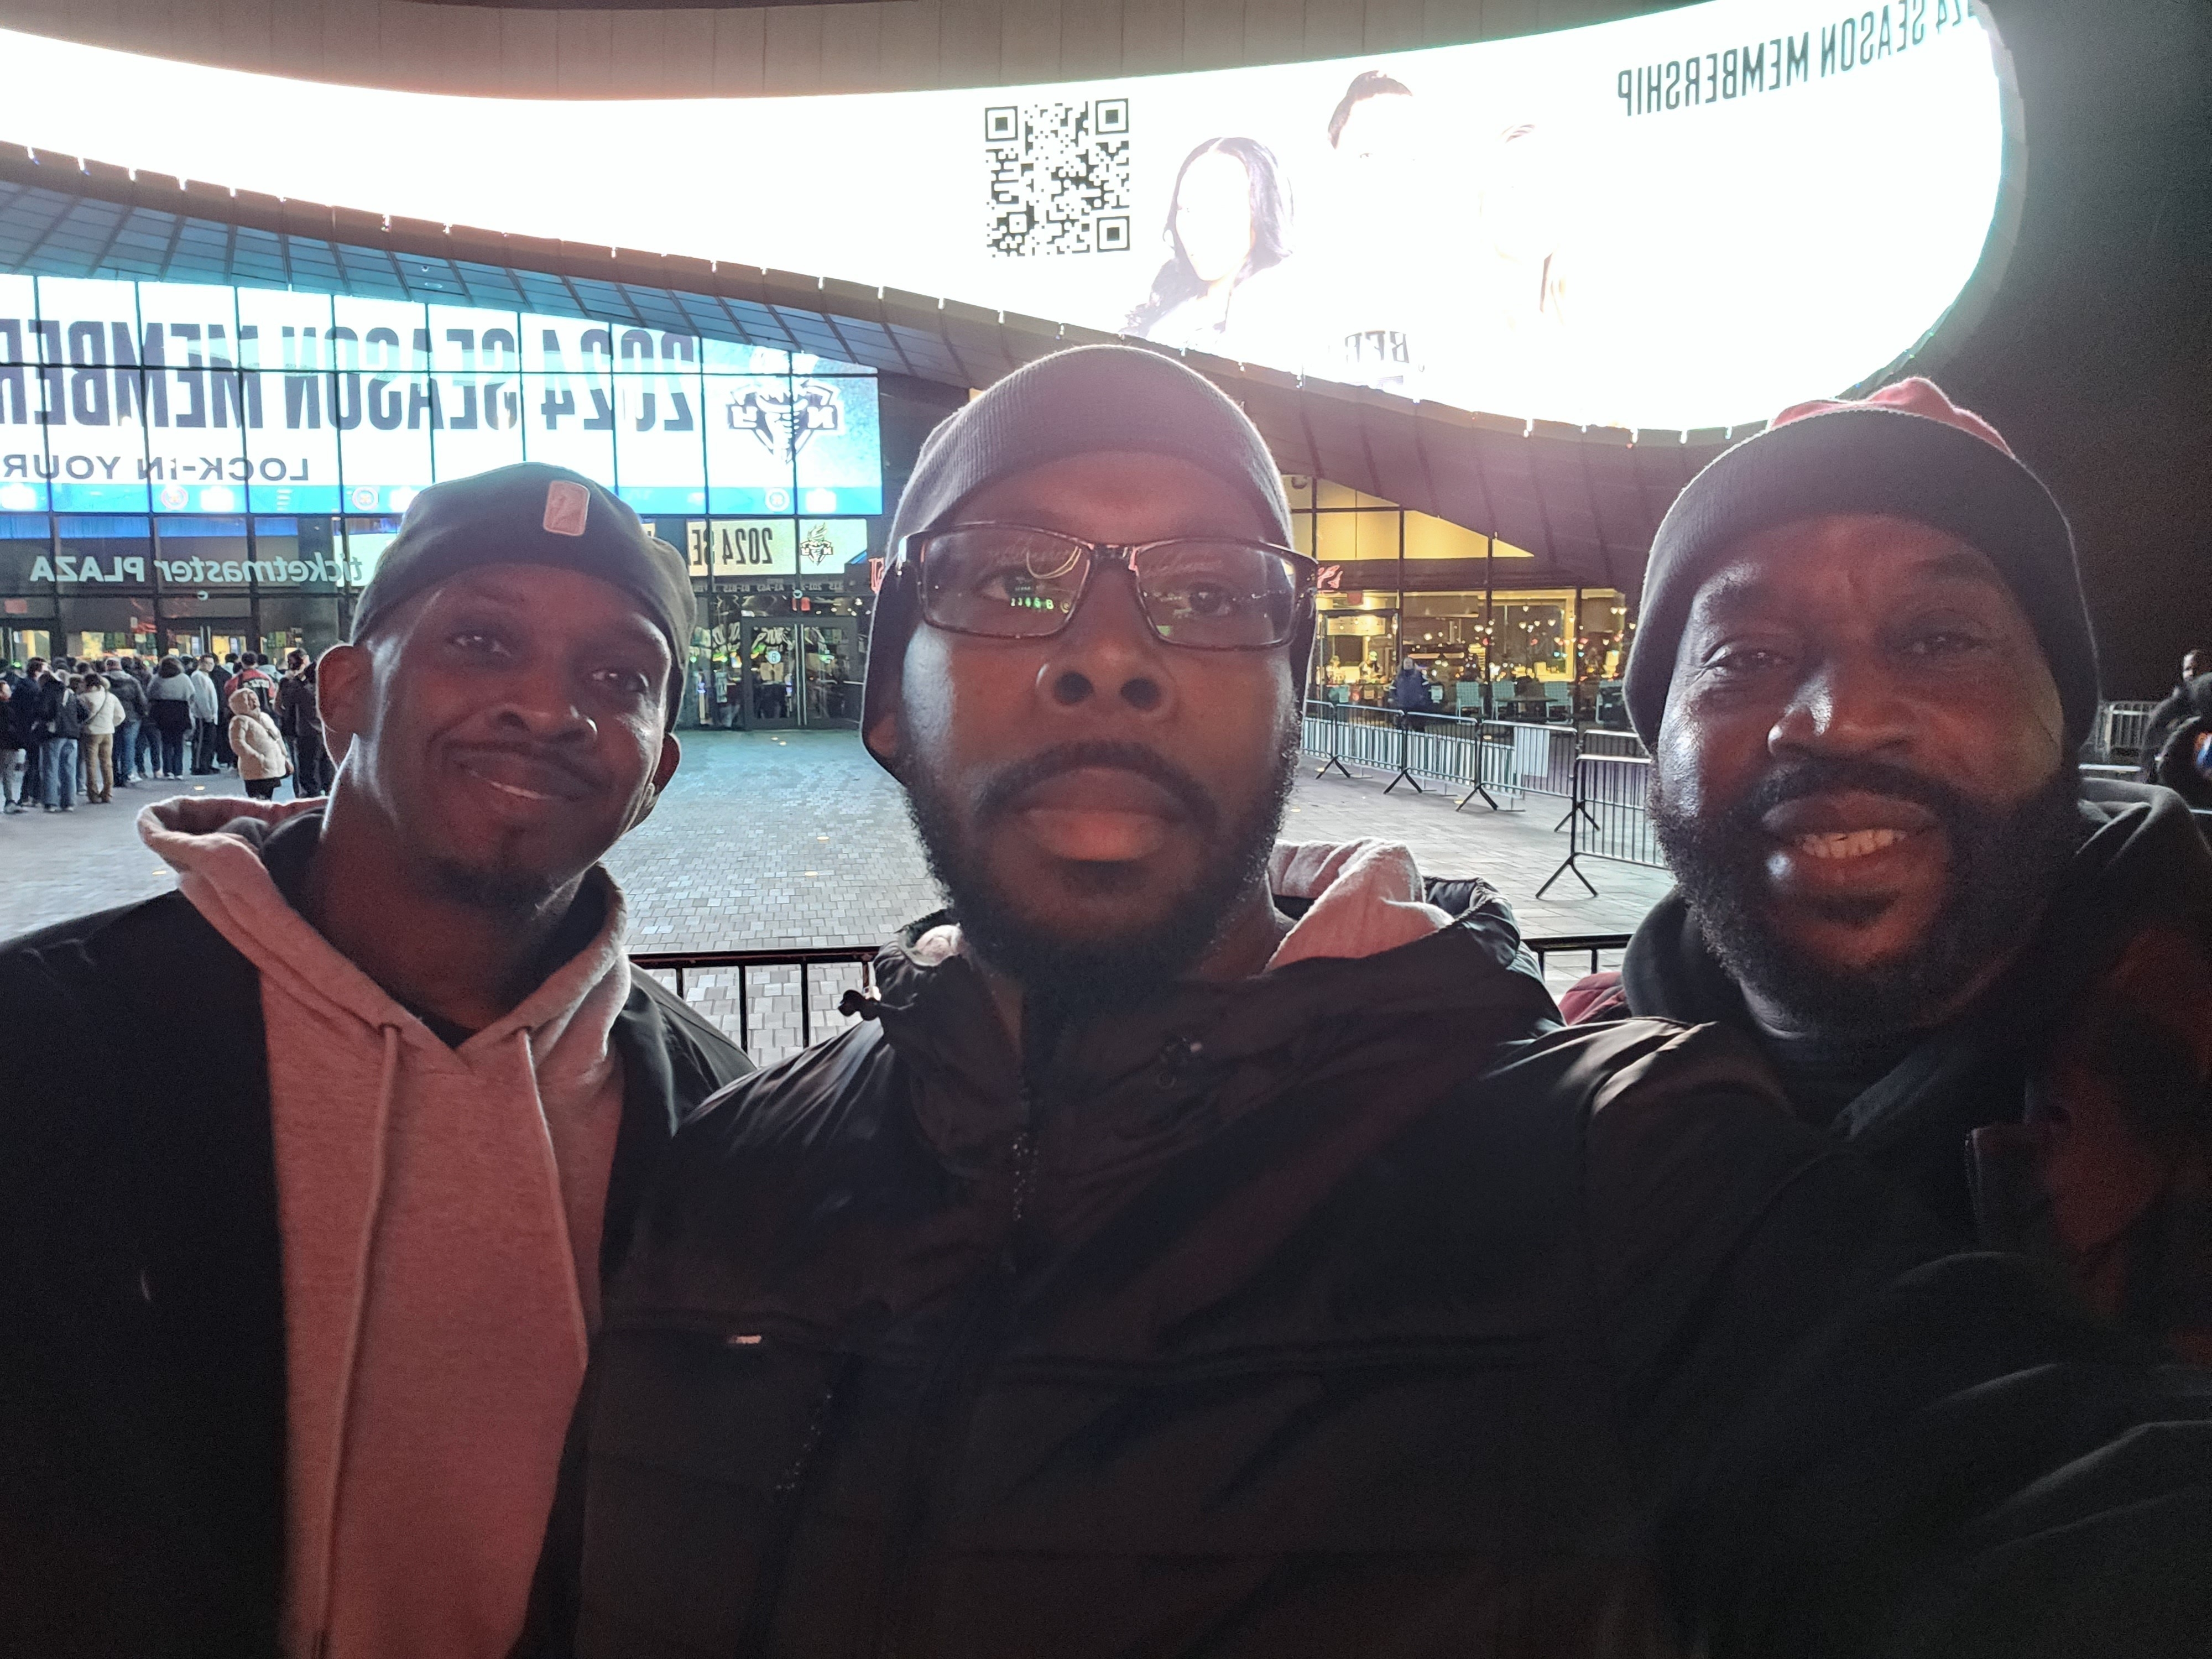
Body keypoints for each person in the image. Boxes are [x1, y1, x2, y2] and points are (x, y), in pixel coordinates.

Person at [527, 347, 2212, 1659]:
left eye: (1208, 592)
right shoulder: (720, 1183)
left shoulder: (1609, 1169)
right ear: (885, 695)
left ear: (1296, 698)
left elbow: (2048, 1498)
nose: (1107, 650)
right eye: (1008, 575)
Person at [0, 462, 754, 1659]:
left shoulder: (720, 1127)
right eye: (481, 642)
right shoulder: (45, 1046)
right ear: (343, 692)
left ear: (656, 769)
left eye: (620, 679)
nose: (547, 708)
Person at [1560, 377, 2212, 1361]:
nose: (1841, 720)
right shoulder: (1562, 1088)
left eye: (1940, 639)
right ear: (1662, 739)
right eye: (1744, 656)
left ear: (2061, 717)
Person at [1123, 136, 1296, 359]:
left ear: (1263, 211)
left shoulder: (1285, 314)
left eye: (1220, 207)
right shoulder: (1167, 315)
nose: (1198, 227)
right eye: (1186, 209)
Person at [2138, 645, 2208, 776]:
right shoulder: (2172, 707)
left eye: (2198, 668)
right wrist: (2148, 773)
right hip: (2179, 773)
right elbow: (2150, 743)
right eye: (2188, 669)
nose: (2192, 674)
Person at [280, 647, 332, 795]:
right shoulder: (328, 689)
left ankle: (314, 800)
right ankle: (327, 797)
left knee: (308, 774)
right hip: (326, 733)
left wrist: (296, 679)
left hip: (307, 734)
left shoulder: (301, 689)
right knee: (327, 772)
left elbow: (285, 703)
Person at [227, 684, 291, 801]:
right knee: (257, 799)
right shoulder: (239, 721)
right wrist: (256, 757)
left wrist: (284, 756)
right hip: (254, 769)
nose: (255, 702)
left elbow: (277, 736)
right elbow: (238, 743)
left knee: (269, 798)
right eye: (250, 700)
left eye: (255, 699)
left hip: (271, 766)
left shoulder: (265, 717)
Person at [39, 667, 86, 812]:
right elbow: (84, 712)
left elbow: (44, 711)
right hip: (72, 735)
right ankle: (69, 802)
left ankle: (51, 802)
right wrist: (74, 723)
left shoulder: (48, 692)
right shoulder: (70, 693)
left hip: (54, 734)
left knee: (51, 768)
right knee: (69, 768)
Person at [77, 667, 123, 805]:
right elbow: (120, 715)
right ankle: (108, 793)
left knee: (91, 764)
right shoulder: (110, 697)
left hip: (90, 733)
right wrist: (111, 724)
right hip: (108, 732)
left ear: (88, 684)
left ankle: (93, 793)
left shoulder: (83, 698)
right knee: (107, 763)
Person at [146, 653, 195, 779]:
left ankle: (168, 771)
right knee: (179, 743)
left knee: (166, 742)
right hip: (180, 710)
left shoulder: (157, 678)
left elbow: (150, 694)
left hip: (162, 711)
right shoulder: (184, 678)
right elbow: (192, 695)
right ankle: (178, 771)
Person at [187, 652, 222, 773]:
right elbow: (201, 698)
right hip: (202, 716)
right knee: (202, 741)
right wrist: (207, 715)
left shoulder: (206, 676)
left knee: (209, 742)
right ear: (201, 663)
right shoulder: (198, 676)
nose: (210, 666)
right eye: (207, 663)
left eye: (212, 663)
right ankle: (199, 766)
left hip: (211, 715)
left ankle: (207, 764)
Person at [0, 675, 23, 814]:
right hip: (8, 744)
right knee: (8, 773)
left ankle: (10, 800)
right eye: (7, 690)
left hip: (7, 744)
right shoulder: (6, 708)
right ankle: (10, 801)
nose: (10, 693)